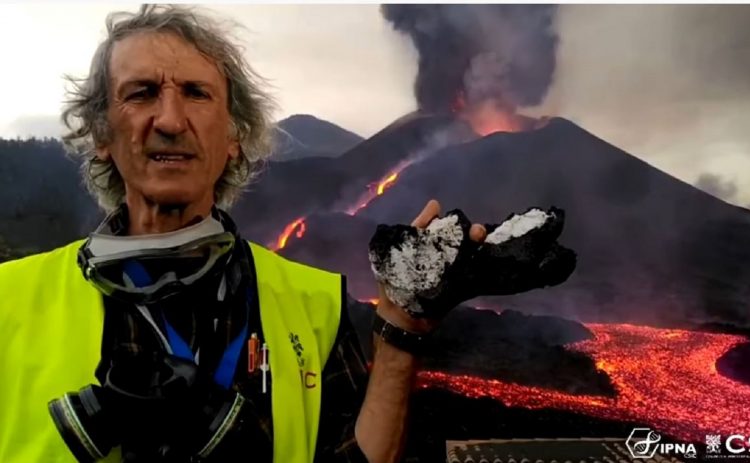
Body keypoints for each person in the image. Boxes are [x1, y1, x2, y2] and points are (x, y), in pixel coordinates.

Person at [0, 5, 490, 463]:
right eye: (141, 92)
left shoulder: (312, 305)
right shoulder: (10, 301)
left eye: (196, 93)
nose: (170, 120)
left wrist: (400, 329)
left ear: (234, 139)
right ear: (103, 136)